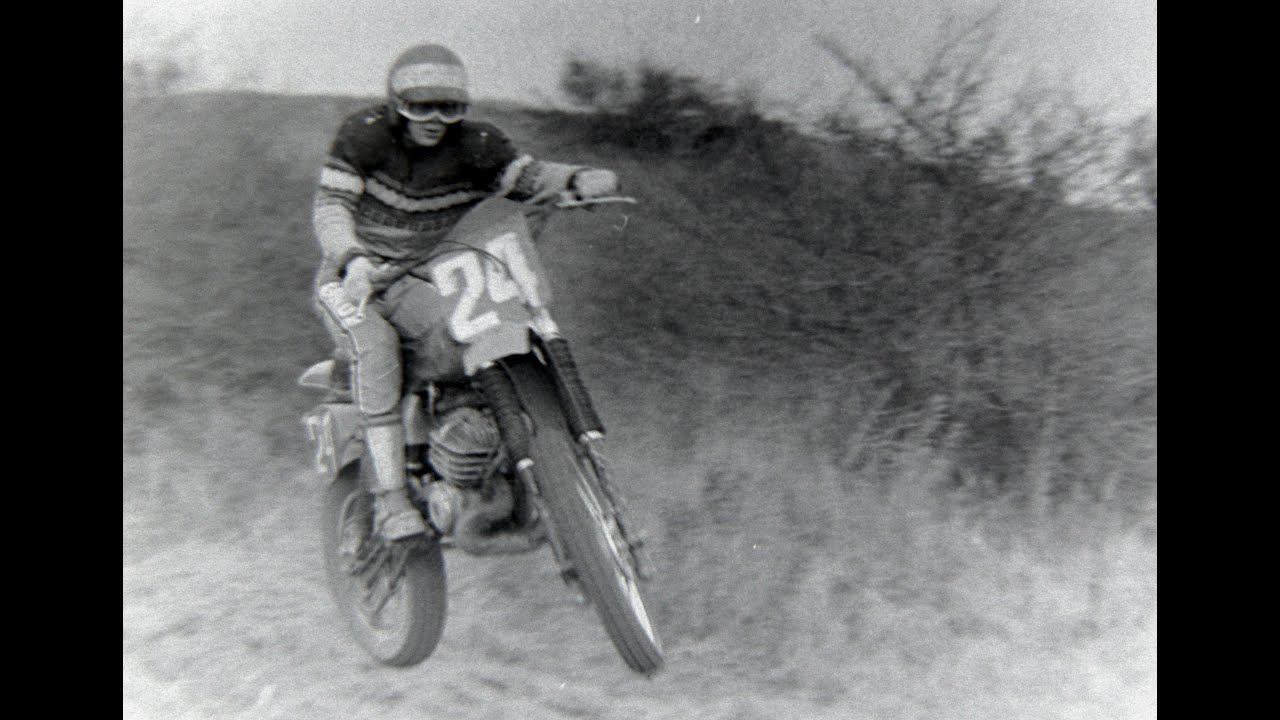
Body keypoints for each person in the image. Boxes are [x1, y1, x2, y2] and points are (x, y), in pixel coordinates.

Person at [311, 43, 620, 541]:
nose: (435, 120)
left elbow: (528, 177)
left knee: (465, 337)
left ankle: (486, 463)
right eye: (421, 107)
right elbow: (332, 207)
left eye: (449, 107)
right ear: (397, 104)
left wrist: (578, 178)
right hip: (355, 279)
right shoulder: (363, 137)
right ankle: (391, 502)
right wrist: (352, 258)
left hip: (425, 278)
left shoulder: (478, 145)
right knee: (378, 349)